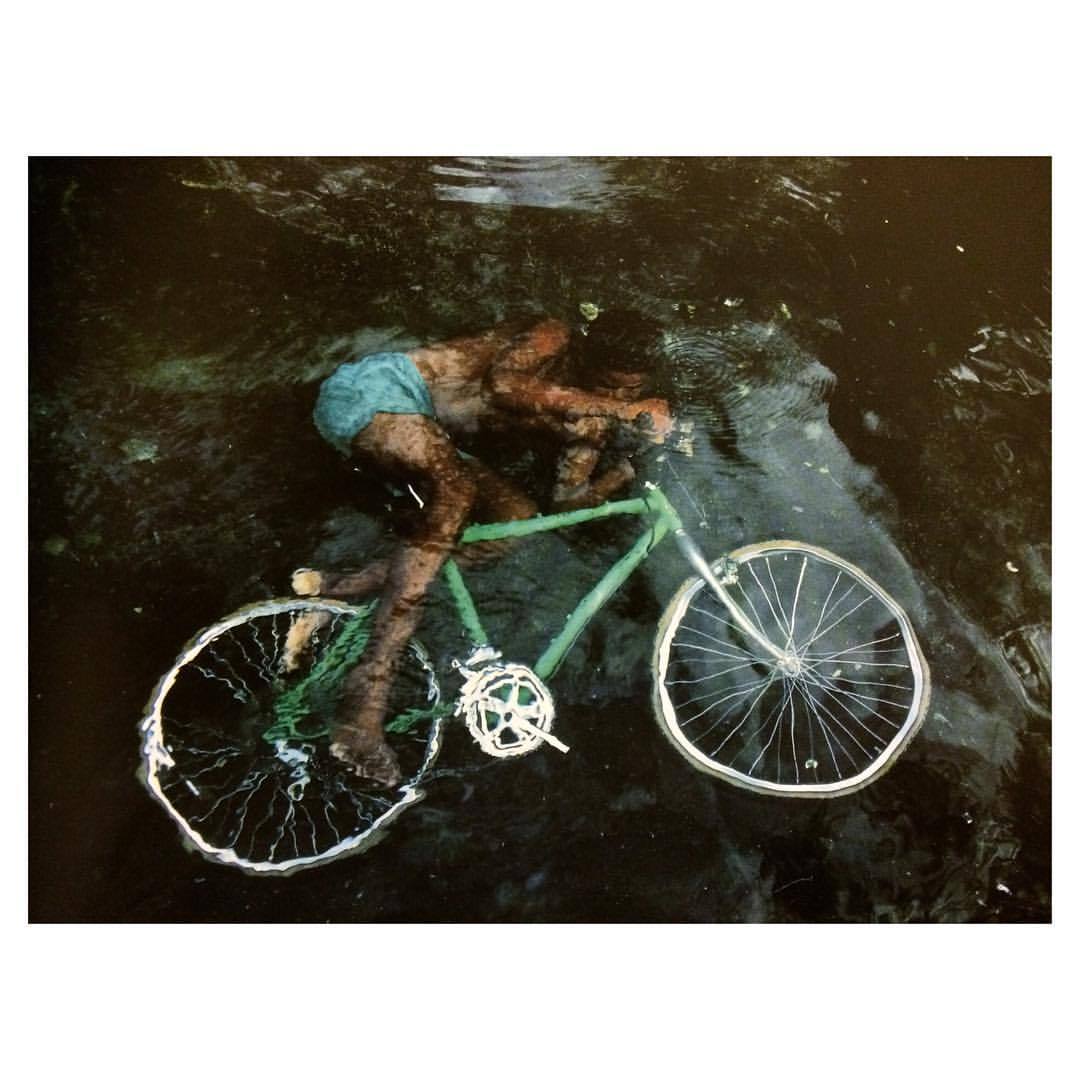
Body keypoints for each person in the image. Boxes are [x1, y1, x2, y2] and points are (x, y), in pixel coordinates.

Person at [291, 311, 673, 787]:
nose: (618, 399)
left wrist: (624, 471)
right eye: (609, 385)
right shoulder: (554, 335)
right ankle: (365, 694)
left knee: (515, 520)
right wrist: (616, 409)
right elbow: (503, 386)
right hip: (378, 394)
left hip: (425, 438)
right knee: (455, 494)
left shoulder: (591, 418)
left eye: (630, 392)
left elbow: (566, 499)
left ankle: (338, 591)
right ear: (587, 359)